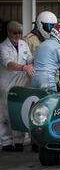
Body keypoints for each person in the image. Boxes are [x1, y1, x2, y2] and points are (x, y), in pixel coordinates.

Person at [0, 21, 35, 152]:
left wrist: (32, 64)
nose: (17, 36)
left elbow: (29, 59)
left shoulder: (24, 44)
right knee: (5, 114)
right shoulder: (2, 47)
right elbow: (8, 63)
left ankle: (19, 141)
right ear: (8, 33)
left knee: (19, 112)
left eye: (19, 33)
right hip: (6, 85)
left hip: (21, 84)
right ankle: (6, 142)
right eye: (15, 33)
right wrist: (23, 67)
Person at [32, 24, 60, 93]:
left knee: (38, 103)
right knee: (51, 102)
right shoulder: (58, 47)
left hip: (34, 80)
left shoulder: (41, 45)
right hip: (47, 79)